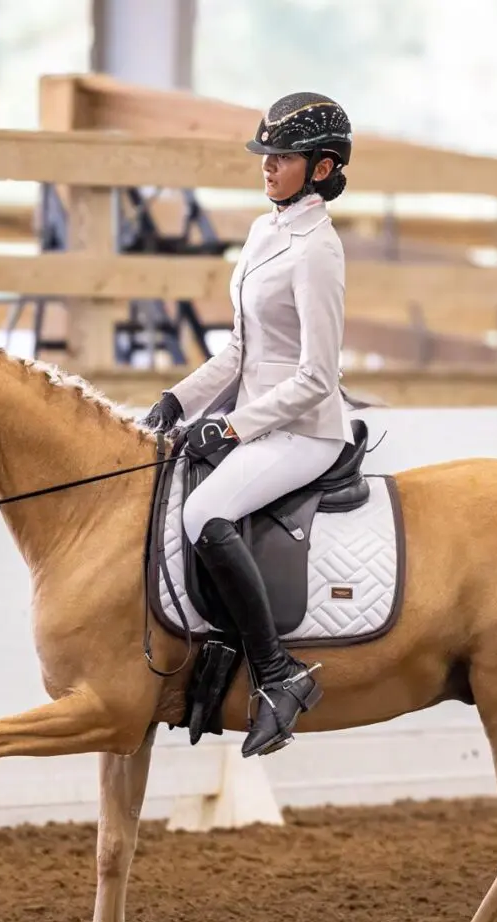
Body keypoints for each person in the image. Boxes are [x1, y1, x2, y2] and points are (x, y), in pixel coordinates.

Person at [142, 92, 356, 758]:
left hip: (306, 431)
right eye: (264, 154)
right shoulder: (269, 231)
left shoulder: (317, 251)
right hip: (261, 421)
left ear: (320, 169)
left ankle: (279, 673)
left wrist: (233, 428)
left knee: (203, 514)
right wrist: (180, 398)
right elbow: (240, 350)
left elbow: (317, 376)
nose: (266, 165)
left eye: (282, 157)